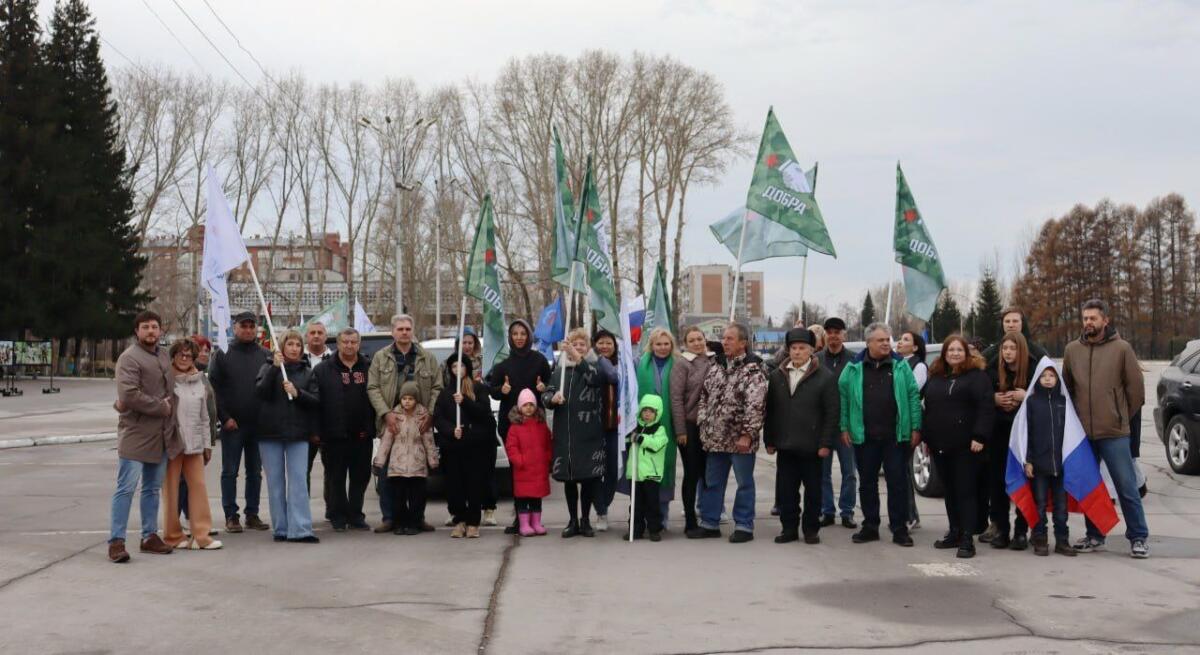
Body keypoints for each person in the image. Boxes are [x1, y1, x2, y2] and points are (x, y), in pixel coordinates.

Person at [1062, 299, 1149, 559]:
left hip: (1114, 433)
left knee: (1126, 487)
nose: (1088, 322)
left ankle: (1138, 537)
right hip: (1083, 435)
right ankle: (1094, 535)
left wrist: (1119, 416)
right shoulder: (1071, 350)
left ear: (1105, 320)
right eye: (1085, 318)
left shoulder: (1122, 349)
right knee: (1090, 488)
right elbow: (1067, 389)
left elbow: (1136, 392)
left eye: (1093, 318)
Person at [839, 323, 922, 547]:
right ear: (868, 343)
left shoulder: (900, 366)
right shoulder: (853, 368)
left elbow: (913, 396)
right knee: (867, 484)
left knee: (897, 483)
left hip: (895, 437)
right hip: (864, 437)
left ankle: (899, 528)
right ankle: (870, 526)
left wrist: (916, 427)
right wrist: (844, 427)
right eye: (880, 340)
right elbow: (843, 399)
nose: (886, 343)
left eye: (888, 339)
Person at [108, 311, 179, 562]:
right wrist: (161, 407)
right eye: (146, 327)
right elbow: (128, 394)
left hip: (161, 434)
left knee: (152, 489)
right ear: (137, 331)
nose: (151, 331)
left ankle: (149, 536)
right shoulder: (129, 358)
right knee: (126, 488)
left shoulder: (162, 355)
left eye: (155, 327)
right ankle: (116, 541)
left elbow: (171, 392)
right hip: (136, 433)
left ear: (160, 331)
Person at [688, 323, 768, 543]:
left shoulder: (754, 370)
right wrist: (704, 423)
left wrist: (747, 434)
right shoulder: (715, 366)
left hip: (740, 441)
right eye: (724, 338)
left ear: (743, 343)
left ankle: (744, 525)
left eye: (730, 338)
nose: (725, 342)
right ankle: (710, 522)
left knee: (744, 483)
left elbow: (756, 405)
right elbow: (704, 397)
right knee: (712, 482)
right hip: (715, 439)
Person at [367, 314, 443, 533]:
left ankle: (417, 519)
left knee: (418, 478)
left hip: (419, 426)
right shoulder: (381, 357)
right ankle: (390, 518)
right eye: (400, 329)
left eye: (408, 329)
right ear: (392, 332)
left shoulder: (427, 357)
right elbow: (372, 387)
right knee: (388, 476)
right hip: (391, 425)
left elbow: (437, 387)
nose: (404, 332)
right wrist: (385, 414)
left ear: (413, 330)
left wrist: (430, 414)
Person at [764, 328, 838, 545]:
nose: (797, 352)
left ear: (811, 350)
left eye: (802, 348)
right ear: (788, 350)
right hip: (786, 445)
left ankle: (811, 529)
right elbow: (771, 410)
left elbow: (832, 413)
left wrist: (825, 443)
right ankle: (789, 528)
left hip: (813, 446)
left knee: (813, 492)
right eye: (793, 348)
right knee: (787, 492)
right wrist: (769, 439)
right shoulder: (777, 375)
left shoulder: (825, 377)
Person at [922, 336, 994, 558]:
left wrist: (980, 436)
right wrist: (927, 437)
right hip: (940, 445)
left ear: (966, 353)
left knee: (965, 492)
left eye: (959, 350)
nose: (954, 353)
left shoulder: (977, 377)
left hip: (967, 446)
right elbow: (927, 407)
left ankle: (967, 539)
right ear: (944, 353)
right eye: (950, 350)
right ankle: (954, 531)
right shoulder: (935, 377)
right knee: (950, 492)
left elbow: (986, 407)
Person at [208, 311, 272, 533]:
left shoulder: (266, 355)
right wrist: (224, 418)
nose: (247, 330)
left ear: (257, 329)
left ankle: (252, 514)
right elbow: (213, 389)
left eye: (251, 326)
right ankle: (231, 515)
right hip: (233, 425)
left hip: (259, 425)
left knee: (255, 471)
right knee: (230, 471)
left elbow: (271, 388)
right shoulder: (222, 354)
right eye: (243, 326)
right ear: (234, 328)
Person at [486, 319, 552, 534]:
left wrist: (543, 388)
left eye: (523, 333)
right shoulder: (503, 365)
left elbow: (550, 387)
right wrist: (501, 391)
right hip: (511, 424)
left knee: (534, 470)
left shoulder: (539, 360)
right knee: (518, 471)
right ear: (510, 337)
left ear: (529, 336)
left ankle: (534, 517)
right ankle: (520, 517)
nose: (519, 337)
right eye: (515, 333)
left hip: (535, 424)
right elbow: (493, 389)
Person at [543, 328, 611, 537]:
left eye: (582, 344)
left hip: (589, 433)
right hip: (565, 434)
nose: (578, 347)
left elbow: (594, 379)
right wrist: (551, 399)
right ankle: (572, 520)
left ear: (587, 347)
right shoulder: (559, 370)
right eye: (574, 344)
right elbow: (547, 392)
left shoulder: (593, 365)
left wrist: (576, 355)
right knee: (569, 479)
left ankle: (585, 520)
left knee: (589, 478)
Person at [255, 331, 320, 543]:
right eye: (290, 344)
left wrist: (297, 392)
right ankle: (281, 528)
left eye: (297, 345)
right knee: (275, 483)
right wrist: (274, 369)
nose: (294, 348)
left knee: (298, 481)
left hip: (298, 434)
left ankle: (300, 528)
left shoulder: (307, 372)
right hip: (270, 433)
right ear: (281, 347)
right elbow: (260, 392)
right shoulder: (268, 367)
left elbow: (316, 401)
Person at [311, 328, 375, 532]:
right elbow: (316, 403)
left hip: (362, 435)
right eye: (345, 342)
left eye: (353, 342)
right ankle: (338, 515)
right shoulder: (323, 369)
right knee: (335, 477)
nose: (349, 345)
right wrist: (317, 431)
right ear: (337, 344)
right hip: (334, 435)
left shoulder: (368, 367)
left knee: (360, 477)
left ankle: (356, 514)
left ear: (359, 344)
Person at [160, 339, 221, 550]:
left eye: (189, 355)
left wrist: (208, 445)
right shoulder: (166, 380)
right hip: (173, 445)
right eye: (180, 355)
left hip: (195, 445)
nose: (184, 359)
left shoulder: (200, 381)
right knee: (171, 491)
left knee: (199, 487)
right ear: (174, 356)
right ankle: (173, 536)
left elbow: (206, 417)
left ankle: (201, 536)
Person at [984, 331, 1036, 550]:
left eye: (1012, 348)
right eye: (1005, 348)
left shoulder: (1034, 370)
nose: (1007, 352)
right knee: (998, 484)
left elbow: (1048, 398)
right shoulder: (993, 370)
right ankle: (1002, 529)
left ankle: (1021, 531)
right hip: (998, 434)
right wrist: (994, 399)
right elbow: (981, 398)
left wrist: (1027, 397)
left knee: (1022, 483)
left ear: (1021, 350)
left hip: (1023, 436)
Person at [434, 354, 496, 539]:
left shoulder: (478, 389)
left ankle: (473, 522)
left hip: (475, 447)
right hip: (453, 447)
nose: (457, 370)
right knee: (454, 485)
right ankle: (459, 519)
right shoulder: (445, 393)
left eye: (461, 366)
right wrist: (451, 430)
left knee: (474, 484)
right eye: (454, 366)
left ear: (467, 368)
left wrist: (466, 402)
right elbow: (439, 417)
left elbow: (484, 413)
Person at [1020, 362, 1078, 557]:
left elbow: (1072, 434)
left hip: (1060, 465)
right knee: (1040, 505)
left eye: (1052, 376)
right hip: (1038, 465)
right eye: (1043, 375)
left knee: (1061, 508)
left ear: (1057, 379)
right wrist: (1027, 460)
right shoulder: (1032, 402)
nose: (1047, 379)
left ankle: (1062, 540)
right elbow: (1025, 433)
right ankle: (1040, 539)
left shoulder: (1064, 402)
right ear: (1037, 378)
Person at [375, 382, 439, 536]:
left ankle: (415, 523)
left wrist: (433, 461)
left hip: (417, 466)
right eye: (404, 398)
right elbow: (386, 441)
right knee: (398, 498)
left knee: (417, 498)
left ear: (416, 399)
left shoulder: (422, 416)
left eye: (411, 398)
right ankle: (400, 523)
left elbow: (429, 441)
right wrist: (379, 461)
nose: (407, 401)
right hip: (398, 466)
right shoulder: (394, 416)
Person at [670, 326, 714, 533]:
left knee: (709, 473)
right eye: (692, 340)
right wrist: (681, 431)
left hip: (711, 426)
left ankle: (708, 516)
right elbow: (676, 399)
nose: (697, 343)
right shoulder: (682, 364)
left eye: (700, 339)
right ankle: (690, 521)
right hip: (689, 426)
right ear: (686, 344)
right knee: (692, 473)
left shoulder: (714, 360)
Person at [635, 328, 678, 531]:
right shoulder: (639, 364)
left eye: (666, 344)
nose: (662, 348)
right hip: (644, 425)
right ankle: (641, 518)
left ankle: (662, 517)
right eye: (658, 344)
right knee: (644, 471)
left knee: (665, 468)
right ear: (651, 346)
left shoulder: (678, 365)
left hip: (668, 425)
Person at [176, 334, 219, 538]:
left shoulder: (203, 377)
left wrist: (209, 442)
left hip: (201, 439)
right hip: (182, 441)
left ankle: (193, 521)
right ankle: (179, 523)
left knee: (194, 484)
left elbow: (208, 412)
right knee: (181, 484)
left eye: (206, 350)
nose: (204, 353)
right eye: (200, 349)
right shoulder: (179, 378)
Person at [817, 317, 857, 529]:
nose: (833, 335)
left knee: (849, 472)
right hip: (823, 426)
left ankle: (847, 511)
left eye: (837, 332)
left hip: (846, 427)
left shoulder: (854, 360)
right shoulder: (816, 359)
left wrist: (851, 424)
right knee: (822, 472)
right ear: (825, 334)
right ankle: (827, 510)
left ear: (844, 335)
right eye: (829, 331)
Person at [505, 389, 552, 537]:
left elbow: (548, 443)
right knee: (523, 499)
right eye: (525, 405)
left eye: (532, 404)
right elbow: (511, 447)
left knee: (536, 499)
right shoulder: (515, 427)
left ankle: (536, 523)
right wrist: (520, 460)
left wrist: (547, 458)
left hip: (538, 468)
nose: (529, 408)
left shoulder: (541, 425)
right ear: (520, 407)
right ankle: (524, 524)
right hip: (523, 470)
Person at [626, 394, 671, 542]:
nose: (647, 414)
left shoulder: (660, 430)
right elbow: (627, 441)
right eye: (644, 410)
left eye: (651, 411)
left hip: (652, 473)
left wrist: (640, 438)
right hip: (636, 473)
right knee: (636, 504)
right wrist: (628, 436)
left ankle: (654, 529)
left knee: (652, 503)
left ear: (657, 413)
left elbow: (656, 444)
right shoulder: (635, 427)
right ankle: (635, 529)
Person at [896, 330, 927, 532]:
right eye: (900, 339)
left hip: (909, 424)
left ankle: (910, 515)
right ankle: (908, 513)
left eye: (905, 340)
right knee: (900, 471)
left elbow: (911, 390)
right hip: (896, 424)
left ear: (915, 347)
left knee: (904, 471)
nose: (900, 342)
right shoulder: (897, 363)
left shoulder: (919, 366)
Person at [591, 329, 621, 532]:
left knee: (612, 471)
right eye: (600, 343)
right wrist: (600, 360)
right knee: (594, 472)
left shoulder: (623, 366)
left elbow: (614, 378)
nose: (604, 346)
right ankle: (600, 510)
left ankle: (604, 505)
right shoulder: (592, 365)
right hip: (593, 426)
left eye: (608, 343)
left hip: (615, 427)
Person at [302, 322, 333, 512]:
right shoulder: (297, 357)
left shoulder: (334, 359)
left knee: (332, 470)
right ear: (306, 336)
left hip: (329, 423)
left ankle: (332, 508)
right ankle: (303, 509)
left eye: (319, 333)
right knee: (302, 470)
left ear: (325, 336)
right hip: (304, 424)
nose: (316, 336)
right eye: (312, 332)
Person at [982, 307, 1049, 364]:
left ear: (1022, 324)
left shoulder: (1038, 354)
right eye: (1007, 321)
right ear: (1002, 324)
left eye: (1015, 321)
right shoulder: (989, 355)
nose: (1011, 325)